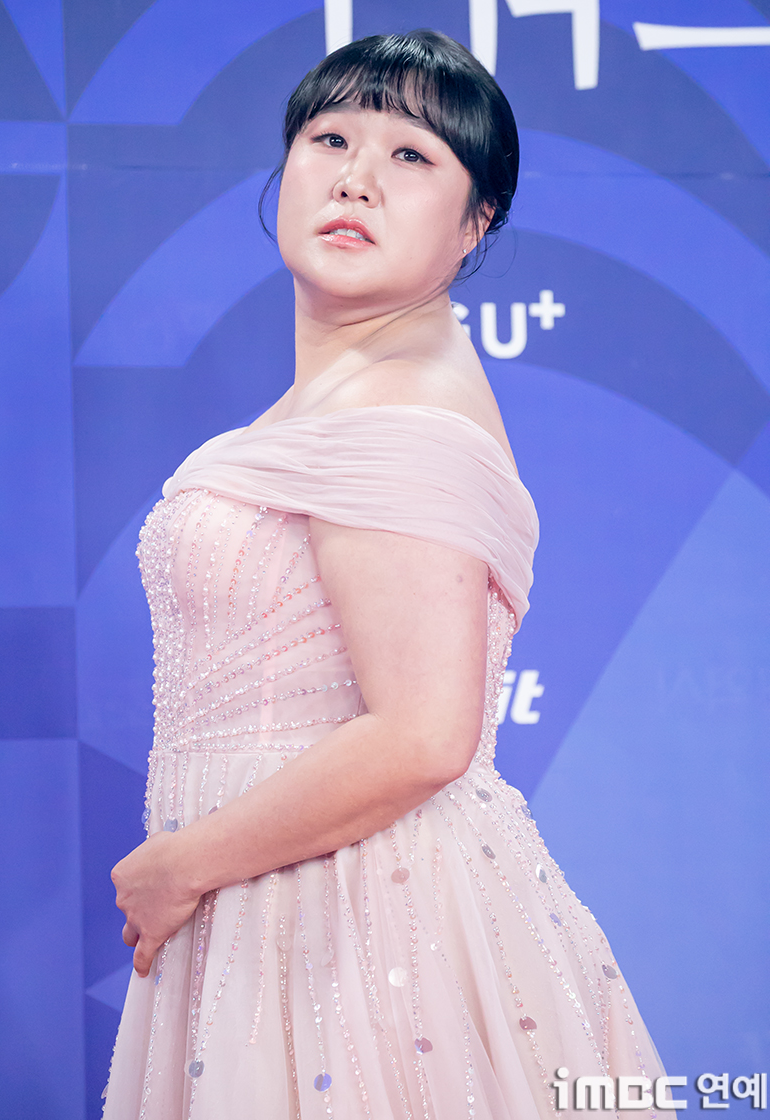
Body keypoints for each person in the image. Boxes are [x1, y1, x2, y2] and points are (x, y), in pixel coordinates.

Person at [102, 30, 676, 1120]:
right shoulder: (356, 387)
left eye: (412, 155)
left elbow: (422, 735)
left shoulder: (397, 407)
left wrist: (181, 864)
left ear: (475, 223)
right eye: (330, 139)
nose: (356, 176)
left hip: (358, 927)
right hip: (286, 904)